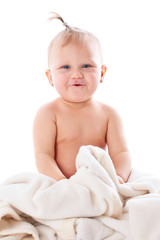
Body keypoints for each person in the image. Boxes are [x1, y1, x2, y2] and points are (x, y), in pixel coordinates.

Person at [33, 12, 132, 184]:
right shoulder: (48, 113)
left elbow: (121, 154)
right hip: (60, 185)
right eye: (65, 67)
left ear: (101, 73)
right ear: (50, 77)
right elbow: (43, 157)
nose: (77, 74)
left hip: (99, 185)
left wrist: (119, 178)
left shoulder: (109, 115)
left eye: (86, 66)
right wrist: (63, 183)